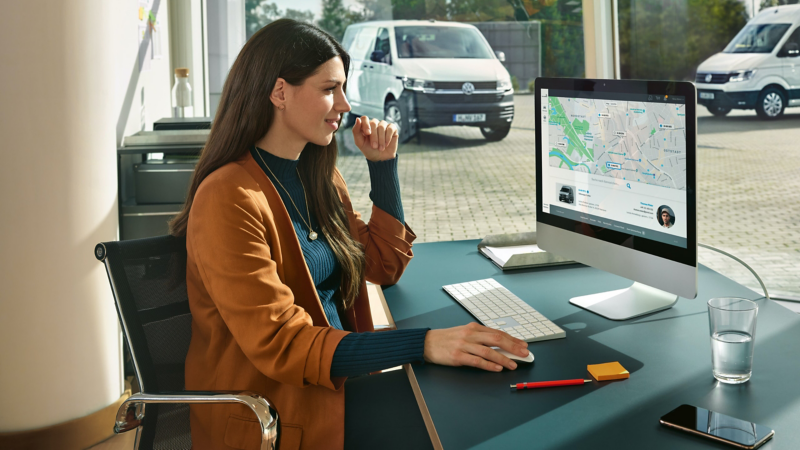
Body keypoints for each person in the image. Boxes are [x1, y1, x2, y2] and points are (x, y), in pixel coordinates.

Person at [169, 19, 528, 450]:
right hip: (280, 416)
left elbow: (384, 265)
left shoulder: (318, 177)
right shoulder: (228, 197)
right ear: (279, 92)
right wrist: (425, 343)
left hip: (335, 386)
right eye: (329, 89)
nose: (345, 105)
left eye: (344, 89)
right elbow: (283, 344)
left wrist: (382, 166)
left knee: (474, 407)